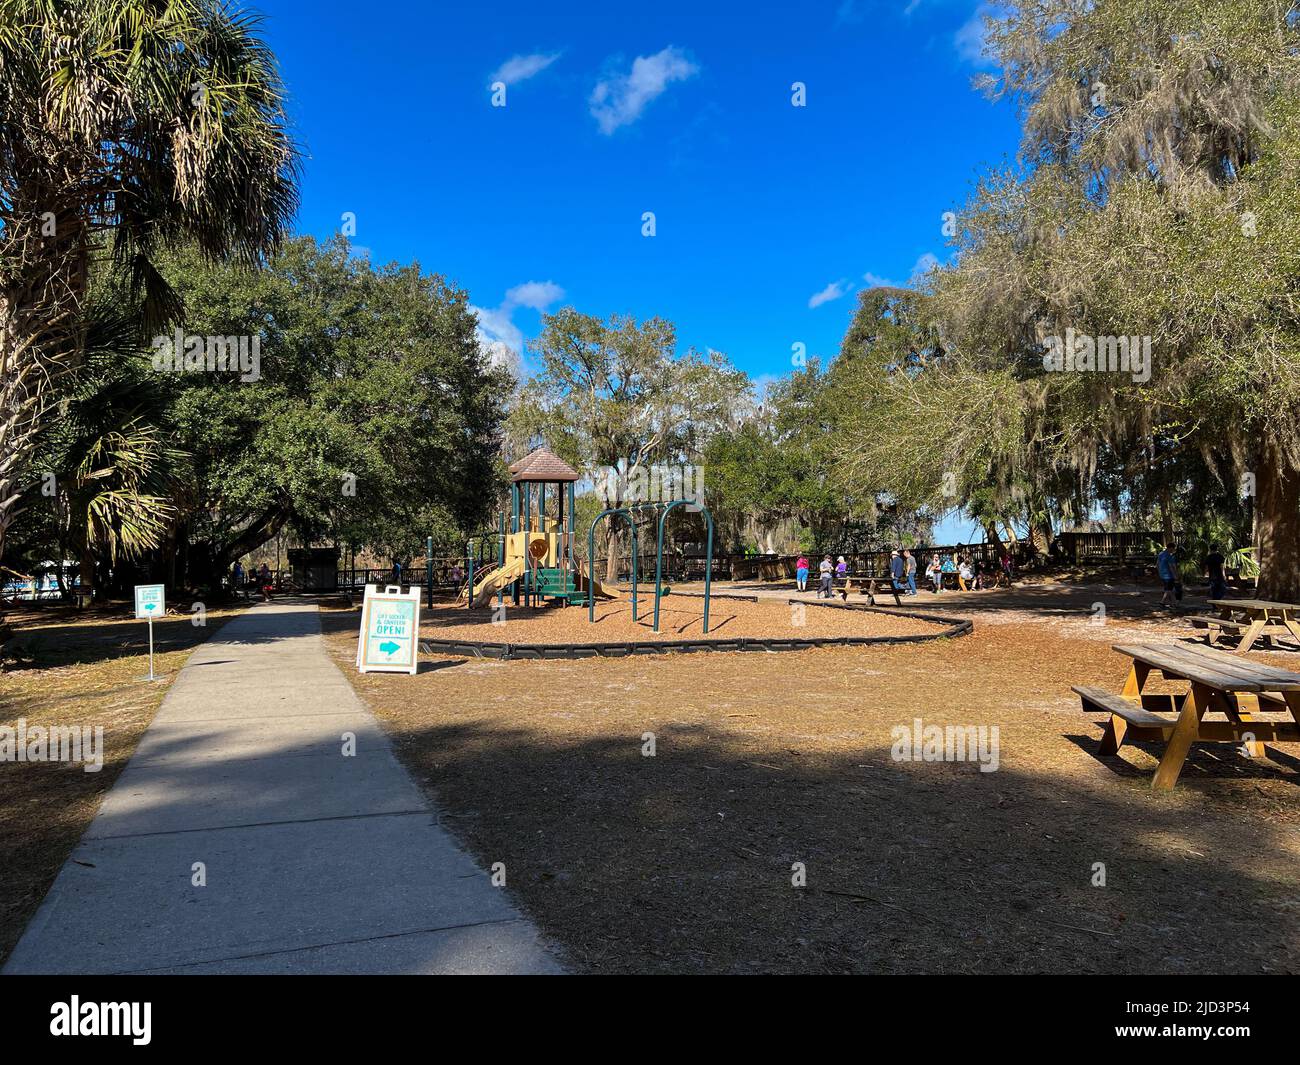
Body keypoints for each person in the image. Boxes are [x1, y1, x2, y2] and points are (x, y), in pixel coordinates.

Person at [1156, 543, 1180, 610]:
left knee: (1170, 590)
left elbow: (1157, 564)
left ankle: (1174, 603)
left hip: (1162, 574)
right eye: (1174, 548)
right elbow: (1171, 567)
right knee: (1168, 590)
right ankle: (1162, 602)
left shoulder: (1161, 554)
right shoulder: (1169, 556)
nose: (1174, 550)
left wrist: (1159, 572)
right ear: (1171, 548)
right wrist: (1175, 575)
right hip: (1169, 575)